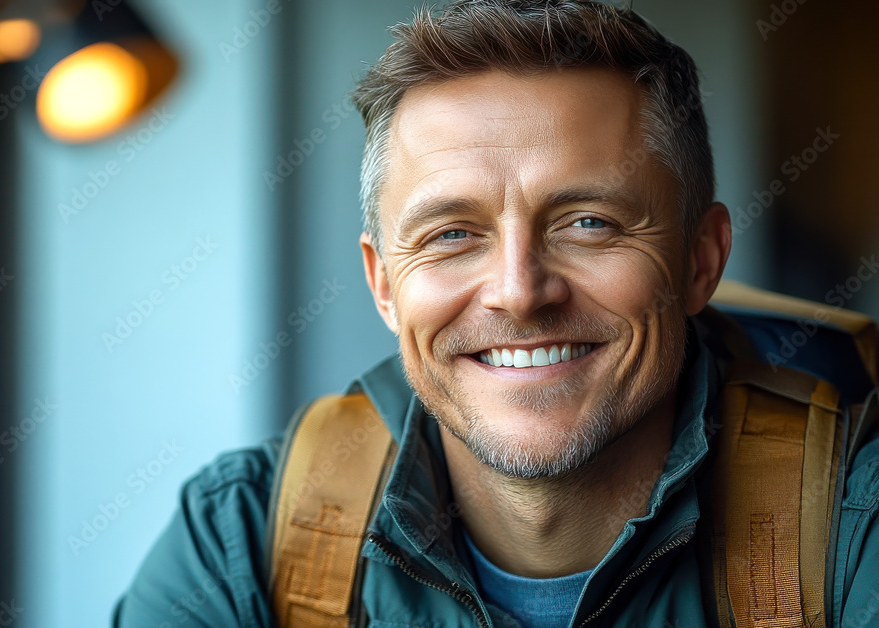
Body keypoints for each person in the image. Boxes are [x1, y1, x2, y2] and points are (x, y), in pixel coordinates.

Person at [113, 1, 879, 626]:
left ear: (700, 261)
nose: (518, 290)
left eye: (589, 223)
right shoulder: (240, 542)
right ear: (384, 286)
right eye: (452, 235)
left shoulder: (854, 524)